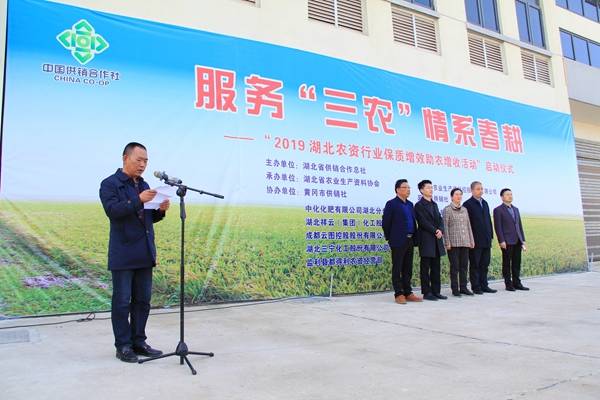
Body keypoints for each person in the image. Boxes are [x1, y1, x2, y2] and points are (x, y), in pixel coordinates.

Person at [99, 142, 170, 363]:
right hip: (123, 252)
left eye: (146, 161)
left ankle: (139, 341)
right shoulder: (110, 184)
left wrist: (160, 211)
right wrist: (138, 200)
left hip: (144, 251)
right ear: (125, 158)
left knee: (143, 301)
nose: (142, 165)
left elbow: (146, 217)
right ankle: (123, 346)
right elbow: (113, 211)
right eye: (138, 160)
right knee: (122, 302)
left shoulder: (144, 184)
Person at [382, 179, 422, 304]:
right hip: (397, 241)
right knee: (397, 267)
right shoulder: (391, 204)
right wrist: (390, 238)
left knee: (408, 268)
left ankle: (408, 292)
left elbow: (413, 222)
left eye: (409, 188)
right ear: (397, 189)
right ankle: (398, 293)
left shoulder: (410, 204)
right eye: (405, 187)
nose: (408, 190)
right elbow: (386, 223)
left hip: (410, 239)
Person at [414, 180, 447, 301]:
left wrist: (441, 230)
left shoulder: (434, 204)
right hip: (426, 239)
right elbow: (422, 222)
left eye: (431, 187)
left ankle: (436, 291)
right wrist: (435, 231)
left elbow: (440, 219)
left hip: (437, 239)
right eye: (428, 187)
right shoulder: (419, 205)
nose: (431, 189)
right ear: (421, 190)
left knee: (436, 267)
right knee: (425, 268)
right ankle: (427, 293)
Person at [462, 181, 497, 295]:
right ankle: (476, 287)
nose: (480, 191)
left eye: (481, 188)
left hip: (486, 239)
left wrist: (491, 235)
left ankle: (484, 285)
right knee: (475, 265)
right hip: (475, 240)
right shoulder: (468, 204)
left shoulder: (485, 203)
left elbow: (488, 220)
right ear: (472, 190)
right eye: (478, 189)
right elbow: (467, 224)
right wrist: (470, 239)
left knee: (485, 264)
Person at [493, 188, 529, 291]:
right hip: (507, 241)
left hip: (517, 240)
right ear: (502, 197)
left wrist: (523, 240)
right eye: (507, 194)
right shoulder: (498, 210)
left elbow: (519, 225)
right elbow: (498, 227)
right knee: (507, 264)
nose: (510, 196)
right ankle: (508, 284)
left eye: (511, 194)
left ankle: (517, 283)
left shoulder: (516, 209)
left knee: (516, 263)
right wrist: (501, 240)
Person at [442, 188, 475, 297]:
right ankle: (455, 289)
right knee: (455, 267)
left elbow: (468, 225)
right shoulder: (447, 209)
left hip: (465, 242)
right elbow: (445, 227)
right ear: (452, 197)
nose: (459, 196)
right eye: (456, 194)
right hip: (453, 243)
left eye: (460, 194)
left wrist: (471, 240)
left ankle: (463, 287)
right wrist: (447, 242)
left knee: (464, 266)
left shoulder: (465, 209)